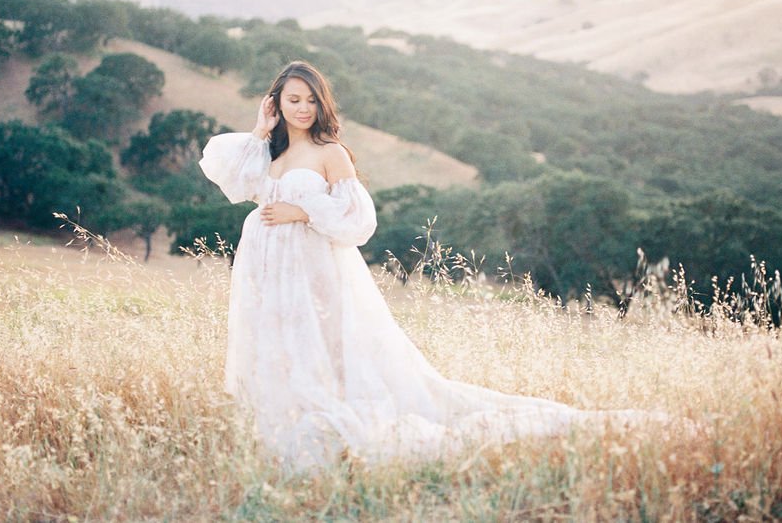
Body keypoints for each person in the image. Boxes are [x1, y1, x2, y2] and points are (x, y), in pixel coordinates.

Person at [199, 61, 649, 472]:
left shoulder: (329, 151)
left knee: (325, 343)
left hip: (312, 266)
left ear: (323, 103)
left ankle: (334, 418)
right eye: (293, 99)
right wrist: (260, 130)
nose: (303, 108)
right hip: (268, 268)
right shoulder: (268, 153)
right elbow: (238, 183)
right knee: (279, 343)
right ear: (276, 101)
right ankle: (282, 415)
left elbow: (358, 221)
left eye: (311, 99)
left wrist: (302, 212)